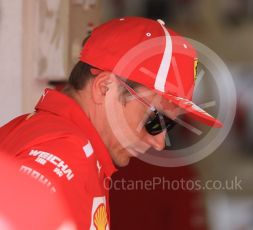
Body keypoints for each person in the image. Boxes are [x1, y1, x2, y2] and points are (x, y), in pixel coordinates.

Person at [0, 17, 222, 229]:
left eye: (169, 125)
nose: (159, 143)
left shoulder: (50, 137)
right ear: (105, 87)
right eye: (156, 119)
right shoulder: (66, 156)